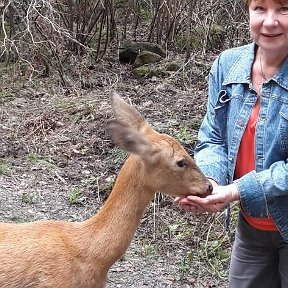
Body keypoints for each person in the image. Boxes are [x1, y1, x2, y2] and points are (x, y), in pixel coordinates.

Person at [175, 0, 288, 287]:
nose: (270, 21)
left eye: (284, 9)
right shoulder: (229, 65)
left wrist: (236, 190)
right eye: (260, 8)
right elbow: (214, 138)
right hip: (252, 228)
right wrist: (210, 185)